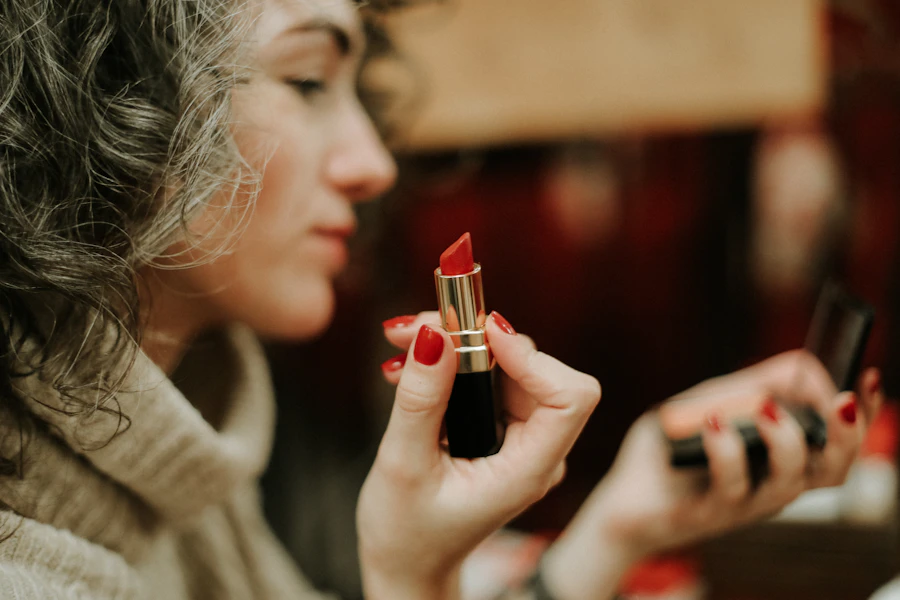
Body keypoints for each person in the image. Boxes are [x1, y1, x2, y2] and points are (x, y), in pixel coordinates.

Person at [0, 0, 883, 599]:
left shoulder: (180, 458)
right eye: (306, 80)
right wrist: (411, 578)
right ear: (104, 95)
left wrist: (622, 520)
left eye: (354, 90)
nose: (374, 163)